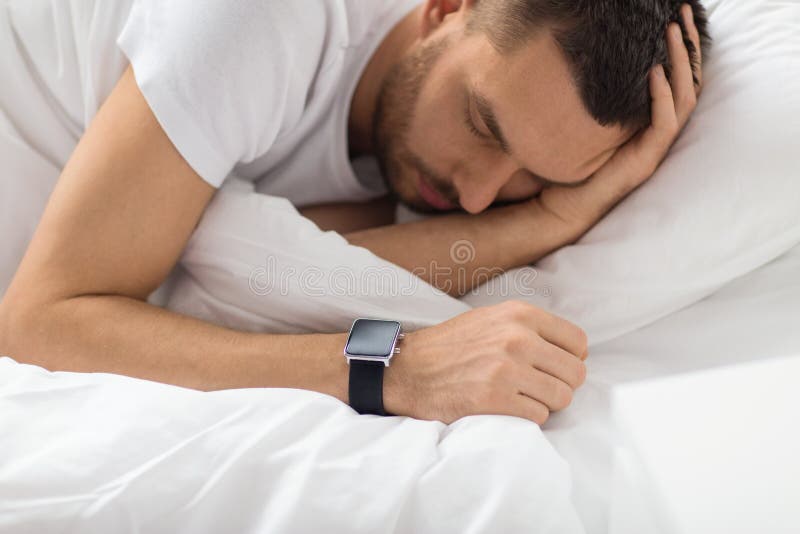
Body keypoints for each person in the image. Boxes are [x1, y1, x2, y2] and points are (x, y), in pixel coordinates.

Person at [0, 0, 708, 424]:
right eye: (484, 126)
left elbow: (263, 278)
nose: (476, 196)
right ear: (445, 8)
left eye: (533, 178)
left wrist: (552, 223)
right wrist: (392, 369)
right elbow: (39, 324)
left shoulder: (414, 161)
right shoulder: (262, 23)